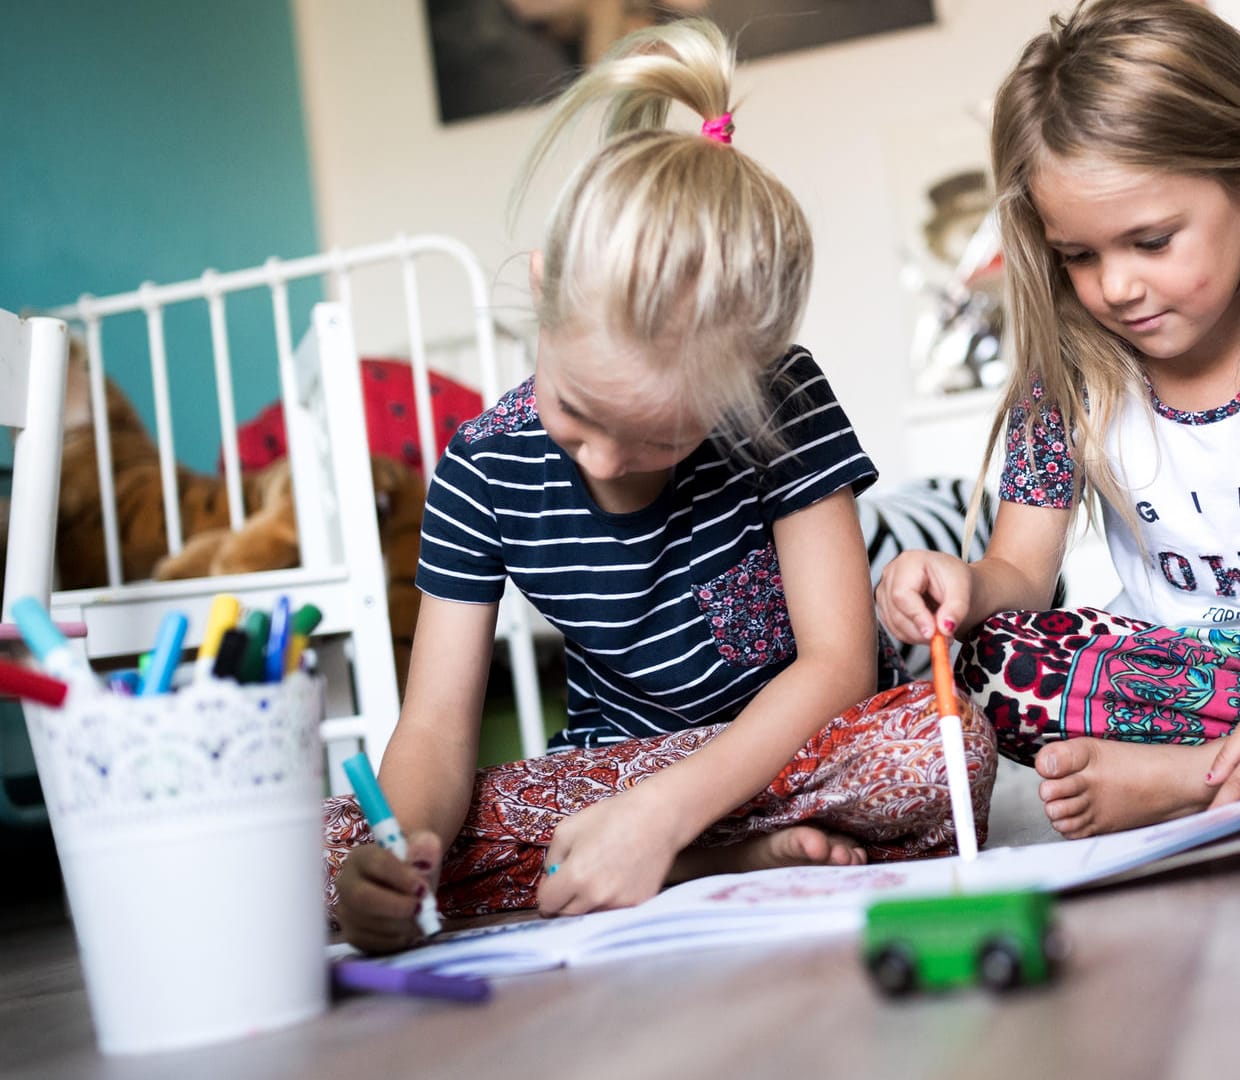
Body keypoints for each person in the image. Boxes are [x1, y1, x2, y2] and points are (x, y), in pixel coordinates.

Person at [328, 18, 992, 954]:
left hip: (788, 747)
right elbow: (436, 725)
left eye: (655, 438)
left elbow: (837, 666)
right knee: (328, 852)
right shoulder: (481, 464)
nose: (602, 462)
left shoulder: (784, 396)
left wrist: (667, 814)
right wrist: (394, 859)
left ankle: (686, 850)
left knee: (945, 752)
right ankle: (711, 859)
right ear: (543, 286)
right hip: (619, 774)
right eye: (577, 412)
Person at [876, 0, 1240, 839]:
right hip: (1181, 674)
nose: (1115, 286)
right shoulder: (1069, 378)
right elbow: (1020, 567)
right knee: (993, 662)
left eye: (1151, 241)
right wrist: (966, 586)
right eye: (1079, 256)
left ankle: (1202, 779)